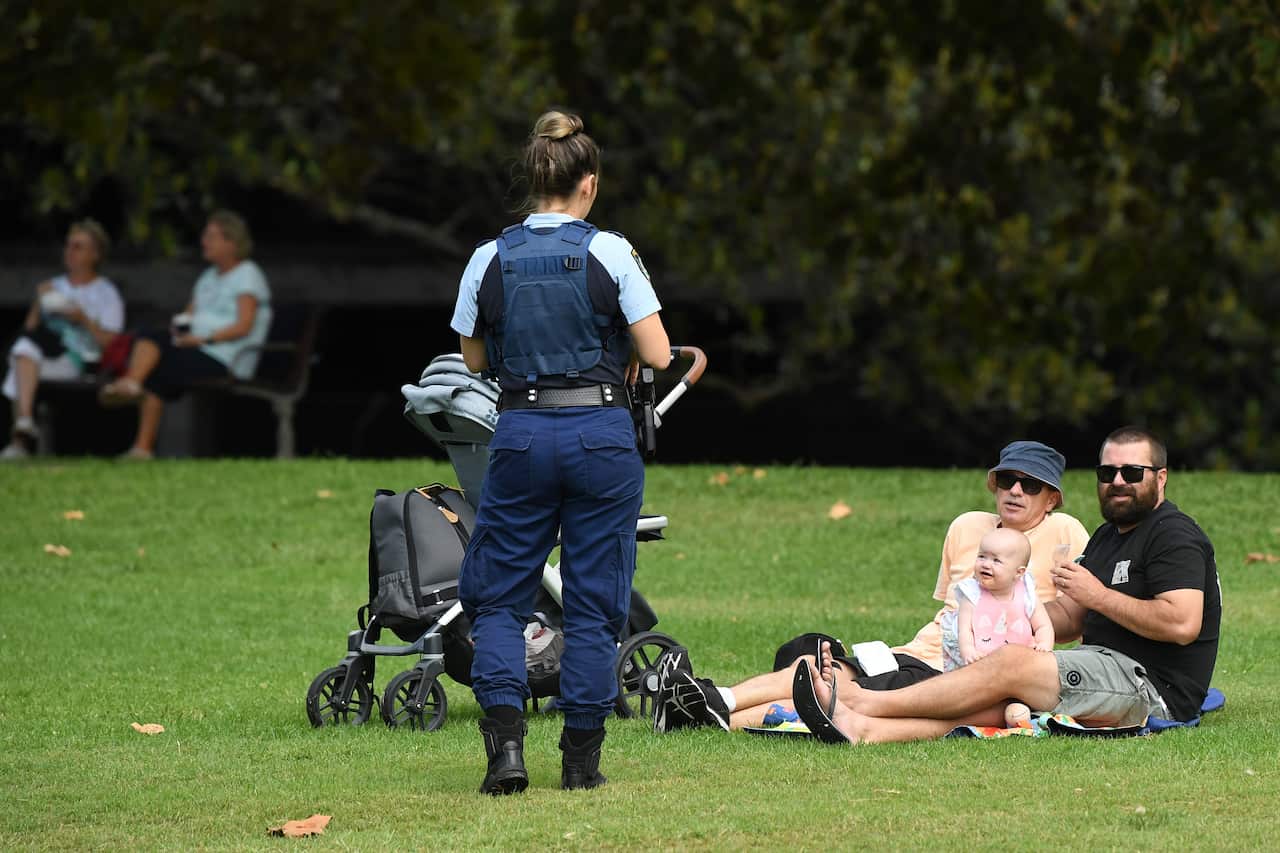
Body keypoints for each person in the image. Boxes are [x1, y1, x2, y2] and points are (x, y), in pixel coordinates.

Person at [450, 110, 672, 794]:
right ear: (589, 185)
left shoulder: (488, 257)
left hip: (519, 433)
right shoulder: (611, 252)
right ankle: (580, 764)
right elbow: (660, 351)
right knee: (594, 602)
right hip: (599, 437)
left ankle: (506, 756)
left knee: (500, 601)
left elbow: (474, 355)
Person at [792, 426, 1221, 744]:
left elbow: (1182, 623)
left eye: (1132, 471)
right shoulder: (1111, 536)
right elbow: (1070, 619)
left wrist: (1098, 595)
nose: (1118, 481)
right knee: (990, 702)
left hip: (1148, 688)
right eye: (1107, 472)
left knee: (1011, 666)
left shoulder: (1173, 534)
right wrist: (999, 614)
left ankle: (860, 703)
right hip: (1097, 665)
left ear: (1160, 478)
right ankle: (865, 730)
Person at [653, 440, 1090, 732]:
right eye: (1006, 480)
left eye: (1029, 485)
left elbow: (1074, 622)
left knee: (829, 691)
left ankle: (710, 710)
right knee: (817, 667)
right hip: (915, 653)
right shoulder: (966, 527)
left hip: (960, 674)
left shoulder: (1064, 533)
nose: (1014, 490)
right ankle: (713, 704)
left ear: (1051, 498)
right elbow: (947, 613)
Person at [98, 210, 272, 459]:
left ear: (231, 242)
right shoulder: (208, 277)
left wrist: (203, 339)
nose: (204, 242)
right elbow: (188, 316)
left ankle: (131, 384)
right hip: (199, 348)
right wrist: (179, 332)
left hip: (226, 357)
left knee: (154, 356)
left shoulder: (247, 274)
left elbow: (244, 325)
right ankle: (141, 443)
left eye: (211, 237)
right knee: (154, 348)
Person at [2, 220, 124, 459]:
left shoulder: (106, 293)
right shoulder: (54, 286)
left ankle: (20, 441)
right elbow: (29, 329)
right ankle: (25, 422)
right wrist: (39, 303)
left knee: (20, 359)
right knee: (23, 349)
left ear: (95, 254)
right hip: (44, 351)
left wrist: (83, 319)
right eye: (68, 245)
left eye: (78, 247)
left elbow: (111, 344)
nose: (70, 251)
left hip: (79, 358)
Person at [941, 527, 1053, 728]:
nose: (985, 564)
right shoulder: (972, 593)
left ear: (1018, 572)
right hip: (979, 662)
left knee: (1023, 693)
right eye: (982, 556)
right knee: (967, 692)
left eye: (996, 560)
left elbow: (1043, 625)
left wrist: (1044, 646)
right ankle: (970, 711)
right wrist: (969, 651)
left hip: (1020, 664)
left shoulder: (1026, 593)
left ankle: (1017, 709)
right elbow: (965, 628)